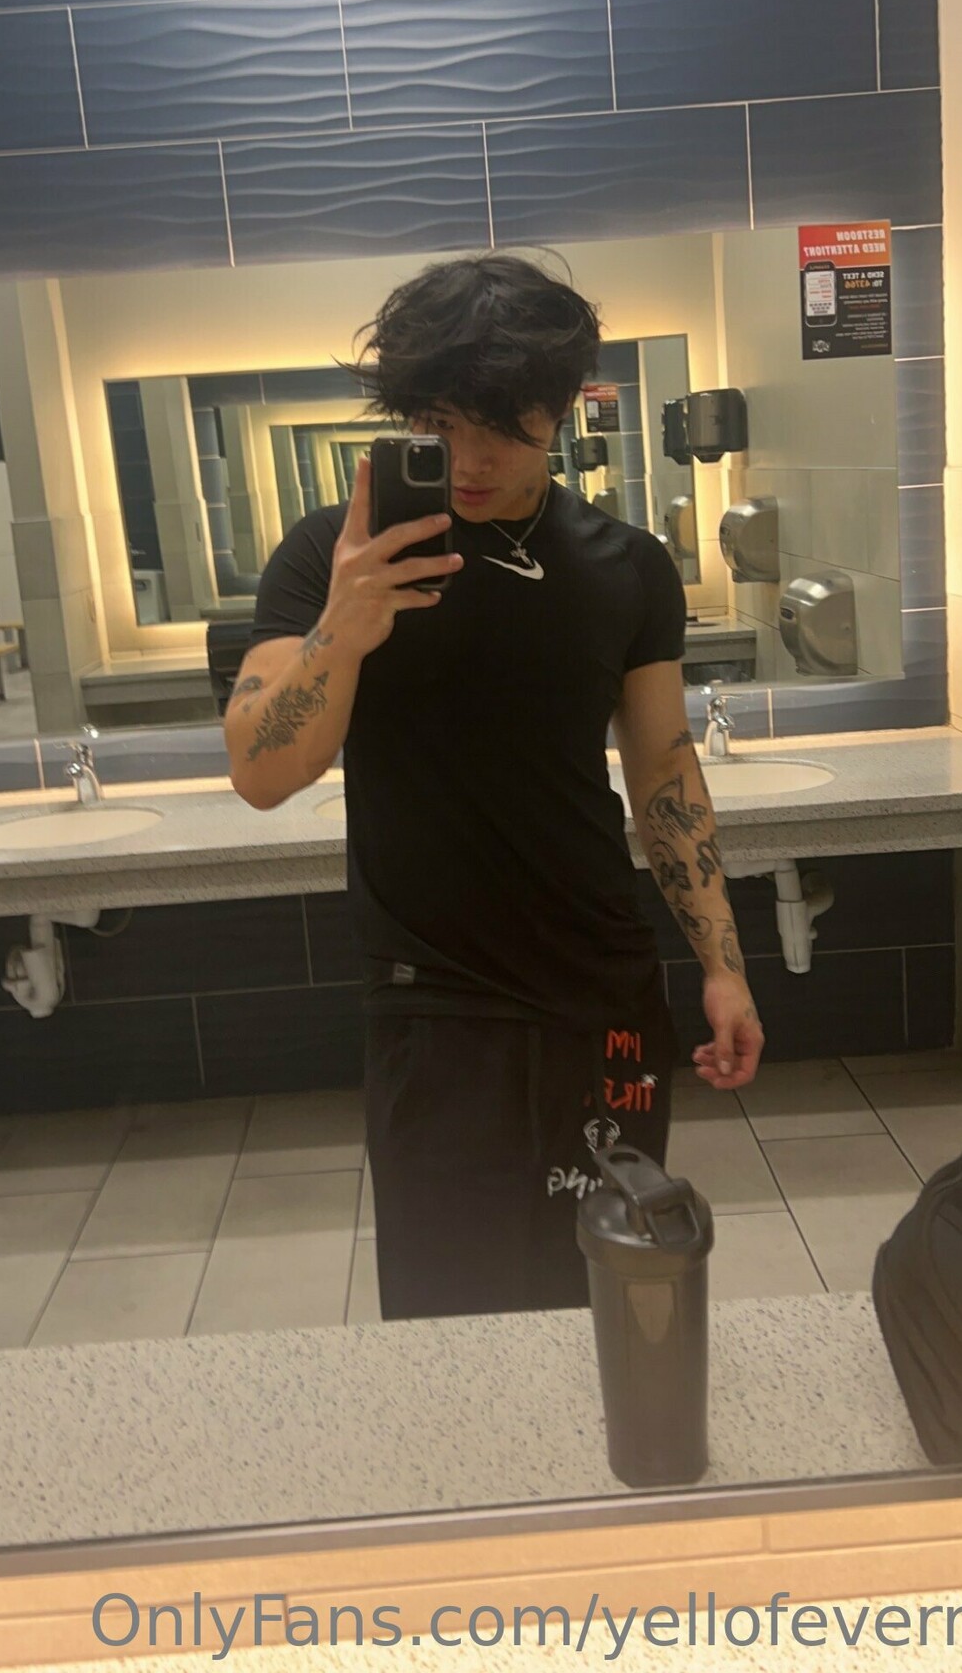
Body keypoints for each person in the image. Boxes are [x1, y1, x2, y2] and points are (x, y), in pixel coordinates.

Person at [225, 251, 764, 1321]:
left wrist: (722, 965)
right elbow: (260, 770)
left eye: (504, 429)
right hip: (436, 1005)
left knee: (601, 1292)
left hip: (603, 990)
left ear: (563, 411)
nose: (469, 460)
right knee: (448, 1317)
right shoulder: (331, 556)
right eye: (438, 425)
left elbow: (663, 768)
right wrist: (343, 627)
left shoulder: (627, 565)